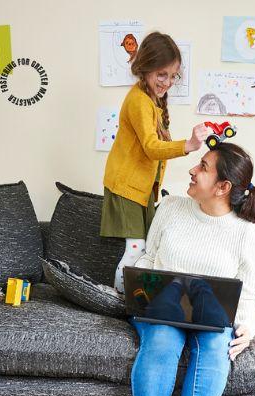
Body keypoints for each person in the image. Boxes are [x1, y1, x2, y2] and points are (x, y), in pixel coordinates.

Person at [129, 143, 255, 396]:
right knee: (163, 338)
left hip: (211, 315)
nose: (192, 170)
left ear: (223, 186)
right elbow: (149, 259)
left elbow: (249, 294)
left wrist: (249, 327)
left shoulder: (249, 234)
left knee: (218, 344)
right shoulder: (170, 208)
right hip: (162, 308)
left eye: (202, 167)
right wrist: (137, 286)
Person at [101, 31, 210, 293]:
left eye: (173, 76)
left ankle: (131, 295)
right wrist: (188, 145)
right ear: (145, 67)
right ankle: (118, 298)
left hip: (141, 188)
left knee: (145, 247)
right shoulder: (139, 101)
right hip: (126, 186)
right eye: (162, 75)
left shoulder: (152, 99)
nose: (168, 82)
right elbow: (151, 148)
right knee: (136, 247)